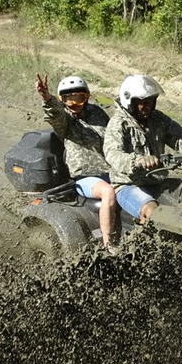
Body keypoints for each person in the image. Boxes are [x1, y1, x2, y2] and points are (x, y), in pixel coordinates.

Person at [103, 74, 182, 223]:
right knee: (155, 213)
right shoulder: (118, 125)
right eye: (143, 102)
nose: (148, 107)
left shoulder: (157, 119)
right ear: (129, 102)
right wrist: (138, 160)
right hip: (128, 185)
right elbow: (112, 154)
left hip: (158, 182)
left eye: (151, 102)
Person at [35, 72, 118, 249]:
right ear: (62, 101)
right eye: (68, 99)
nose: (74, 104)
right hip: (84, 177)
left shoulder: (97, 113)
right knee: (108, 192)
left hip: (110, 170)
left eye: (78, 98)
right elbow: (55, 113)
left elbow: (113, 135)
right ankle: (109, 244)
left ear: (86, 97)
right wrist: (46, 97)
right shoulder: (63, 119)